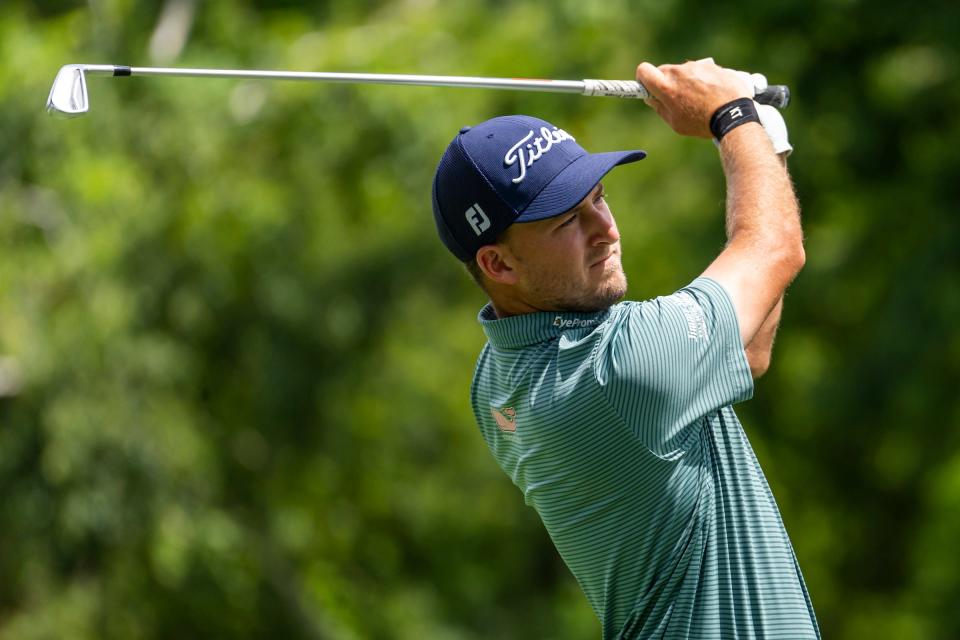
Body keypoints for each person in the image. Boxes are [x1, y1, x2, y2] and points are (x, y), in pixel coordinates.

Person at [430, 58, 819, 639]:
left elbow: (749, 346)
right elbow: (773, 249)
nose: (605, 229)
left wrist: (768, 143)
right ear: (498, 263)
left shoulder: (496, 379)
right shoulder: (618, 372)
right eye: (566, 222)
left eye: (599, 198)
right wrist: (733, 116)